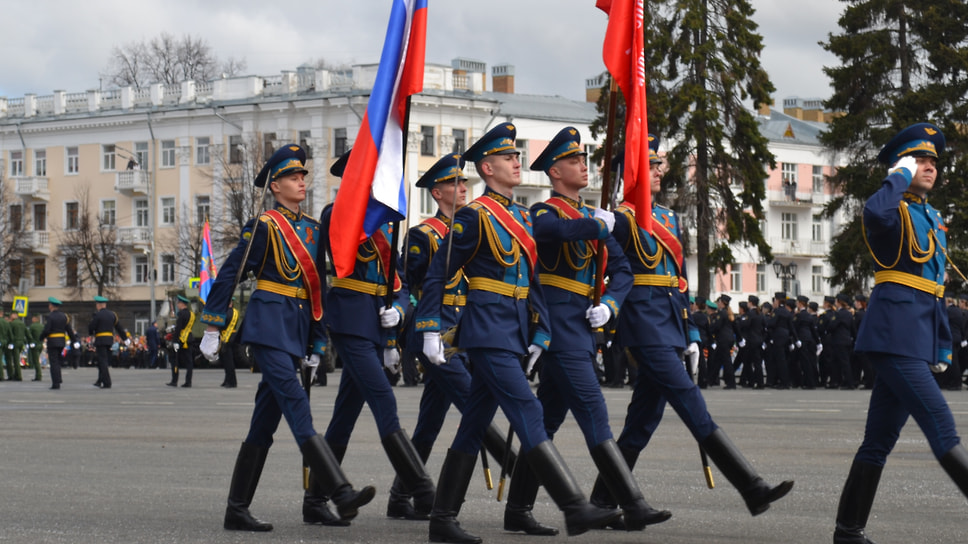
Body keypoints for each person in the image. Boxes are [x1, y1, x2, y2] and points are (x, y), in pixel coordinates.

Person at [415, 124, 619, 543]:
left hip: (512, 331)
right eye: (508, 157)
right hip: (486, 330)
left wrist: (542, 333)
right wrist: (429, 327)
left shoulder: (522, 216)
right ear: (487, 168)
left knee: (472, 425)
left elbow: (535, 283)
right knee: (527, 410)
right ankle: (574, 506)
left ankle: (442, 519)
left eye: (516, 155)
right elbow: (439, 273)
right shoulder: (475, 217)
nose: (516, 161)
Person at [589, 133, 793, 522]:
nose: (659, 170)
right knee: (690, 401)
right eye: (650, 165)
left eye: (658, 164)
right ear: (630, 173)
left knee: (641, 422)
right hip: (643, 325)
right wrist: (608, 223)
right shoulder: (619, 218)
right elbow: (616, 269)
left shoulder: (666, 217)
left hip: (669, 324)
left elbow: (680, 281)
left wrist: (692, 334)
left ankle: (603, 499)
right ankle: (751, 487)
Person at [199, 144, 374, 532]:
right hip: (267, 325)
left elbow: (316, 290)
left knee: (265, 423)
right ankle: (340, 491)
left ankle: (237, 508)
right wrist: (212, 323)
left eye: (303, 176)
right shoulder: (264, 226)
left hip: (295, 330)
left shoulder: (312, 229)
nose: (302, 182)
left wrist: (316, 342)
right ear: (275, 186)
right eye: (294, 177)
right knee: (297, 404)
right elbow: (231, 272)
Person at [500, 126, 665, 535]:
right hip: (558, 327)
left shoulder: (595, 218)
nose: (583, 166)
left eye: (583, 159)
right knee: (594, 412)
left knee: (549, 420)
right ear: (555, 172)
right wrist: (598, 227)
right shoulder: (545, 211)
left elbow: (623, 270)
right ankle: (633, 503)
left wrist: (609, 305)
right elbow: (550, 234)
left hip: (582, 326)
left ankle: (518, 510)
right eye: (574, 161)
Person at [833, 122, 968, 543]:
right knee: (942, 428)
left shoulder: (931, 216)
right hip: (893, 338)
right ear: (903, 166)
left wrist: (942, 342)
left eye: (932, 161)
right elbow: (874, 212)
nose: (930, 166)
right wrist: (899, 175)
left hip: (915, 338)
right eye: (920, 160)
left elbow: (934, 288)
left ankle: (847, 531)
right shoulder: (892, 211)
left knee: (878, 442)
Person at [316, 150, 436, 527]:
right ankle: (421, 487)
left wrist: (399, 311)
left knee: (344, 416)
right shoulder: (337, 213)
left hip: (375, 321)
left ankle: (315, 498)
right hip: (349, 318)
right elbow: (320, 274)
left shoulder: (384, 222)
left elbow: (397, 281)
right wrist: (315, 335)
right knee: (383, 398)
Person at [395, 153, 516, 521]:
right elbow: (406, 281)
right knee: (473, 403)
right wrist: (405, 321)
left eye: (464, 183)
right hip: (435, 332)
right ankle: (520, 470)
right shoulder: (423, 234)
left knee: (430, 422)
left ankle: (402, 496)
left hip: (461, 330)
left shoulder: (474, 224)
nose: (463, 188)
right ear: (437, 192)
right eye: (454, 184)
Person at [88, 296, 128, 389]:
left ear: (99, 305)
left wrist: (91, 333)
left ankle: (107, 382)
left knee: (102, 361)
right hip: (109, 340)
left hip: (100, 340)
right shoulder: (112, 314)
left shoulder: (97, 315)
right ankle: (99, 380)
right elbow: (119, 328)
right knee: (103, 361)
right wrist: (125, 339)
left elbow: (91, 327)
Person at [39, 297, 77, 390]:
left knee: (54, 362)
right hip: (61, 342)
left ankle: (56, 383)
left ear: (51, 306)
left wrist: (41, 337)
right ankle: (59, 378)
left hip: (52, 342)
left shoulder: (50, 316)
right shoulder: (64, 316)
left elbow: (47, 329)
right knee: (58, 361)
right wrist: (74, 340)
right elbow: (69, 329)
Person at [167, 295, 195, 387]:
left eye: (178, 303)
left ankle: (174, 381)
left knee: (175, 360)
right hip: (189, 339)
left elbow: (178, 328)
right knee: (189, 362)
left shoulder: (181, 314)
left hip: (181, 339)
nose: (177, 305)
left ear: (181, 304)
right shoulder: (191, 314)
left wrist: (175, 341)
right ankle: (188, 381)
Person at [219, 299, 241, 388]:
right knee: (226, 360)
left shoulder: (226, 312)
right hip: (233, 336)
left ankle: (232, 381)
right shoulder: (235, 312)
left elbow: (223, 324)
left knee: (228, 361)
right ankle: (227, 379)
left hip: (227, 336)